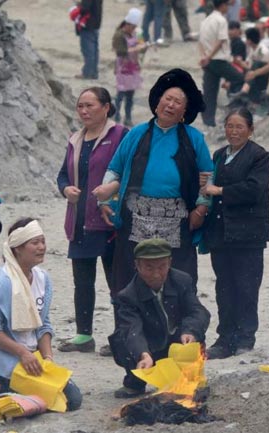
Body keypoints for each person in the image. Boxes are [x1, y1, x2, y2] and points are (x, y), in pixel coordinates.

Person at [93, 68, 214, 296]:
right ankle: (132, 319)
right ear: (157, 102)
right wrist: (104, 201)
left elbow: (209, 175)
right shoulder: (136, 134)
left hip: (178, 221)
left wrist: (200, 209)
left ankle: (175, 319)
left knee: (177, 279)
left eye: (178, 102)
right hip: (135, 218)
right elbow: (114, 169)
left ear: (184, 111)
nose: (171, 105)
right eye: (167, 99)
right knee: (131, 278)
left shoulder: (193, 138)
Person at [0, 218, 82, 411]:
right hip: (9, 357)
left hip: (33, 358)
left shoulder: (43, 278)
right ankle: (1, 383)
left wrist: (47, 358)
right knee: (17, 405)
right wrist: (23, 353)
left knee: (72, 400)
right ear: (18, 248)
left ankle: (14, 392)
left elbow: (43, 324)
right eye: (35, 243)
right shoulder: (0, 282)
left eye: (43, 241)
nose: (41, 247)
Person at [56, 88, 128, 354]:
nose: (84, 111)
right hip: (80, 219)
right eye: (80, 106)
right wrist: (66, 189)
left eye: (90, 105)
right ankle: (84, 336)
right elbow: (63, 175)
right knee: (82, 281)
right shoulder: (75, 139)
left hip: (110, 220)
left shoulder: (120, 135)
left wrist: (112, 189)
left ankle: (123, 335)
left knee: (117, 282)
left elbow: (131, 171)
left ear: (106, 107)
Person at [200, 108, 269, 359]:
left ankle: (245, 338)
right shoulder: (219, 155)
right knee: (224, 286)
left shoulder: (260, 156)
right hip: (221, 232)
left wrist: (219, 190)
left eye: (239, 127)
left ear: (250, 130)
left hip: (249, 234)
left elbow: (254, 189)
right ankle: (225, 338)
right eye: (230, 126)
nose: (233, 131)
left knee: (247, 286)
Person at [108, 239, 210, 398]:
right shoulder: (128, 296)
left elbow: (198, 312)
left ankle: (189, 378)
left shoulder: (182, 281)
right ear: (137, 266)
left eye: (162, 267)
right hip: (150, 345)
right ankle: (135, 381)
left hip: (177, 342)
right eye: (149, 267)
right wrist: (142, 354)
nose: (156, 274)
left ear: (169, 263)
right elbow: (132, 329)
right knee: (122, 339)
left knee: (196, 333)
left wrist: (190, 332)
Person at [199, 0, 245, 128]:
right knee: (240, 78)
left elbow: (200, 42)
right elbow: (220, 41)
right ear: (223, 5)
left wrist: (203, 57)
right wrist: (209, 56)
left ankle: (208, 121)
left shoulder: (205, 21)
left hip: (208, 61)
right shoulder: (221, 20)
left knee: (209, 92)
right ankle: (236, 107)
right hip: (218, 60)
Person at [112, 9, 147, 127]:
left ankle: (128, 117)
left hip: (133, 67)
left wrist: (143, 47)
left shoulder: (136, 33)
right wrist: (137, 48)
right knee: (121, 92)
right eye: (132, 27)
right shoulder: (119, 35)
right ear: (127, 25)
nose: (133, 29)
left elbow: (142, 46)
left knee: (130, 94)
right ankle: (116, 115)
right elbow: (120, 52)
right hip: (123, 67)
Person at [76, 0, 103, 80]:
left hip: (88, 24)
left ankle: (87, 73)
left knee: (88, 51)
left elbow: (85, 9)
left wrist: (79, 7)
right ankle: (94, 72)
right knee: (94, 51)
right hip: (95, 23)